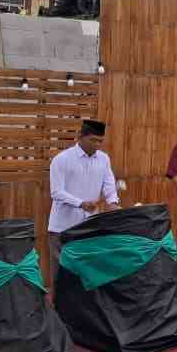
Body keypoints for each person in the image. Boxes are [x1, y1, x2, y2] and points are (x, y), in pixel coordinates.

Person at [48, 120, 120, 280]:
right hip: (62, 229)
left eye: (100, 141)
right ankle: (56, 304)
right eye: (93, 140)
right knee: (62, 275)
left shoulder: (104, 159)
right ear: (79, 137)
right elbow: (56, 192)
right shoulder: (61, 159)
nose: (97, 144)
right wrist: (80, 203)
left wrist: (113, 203)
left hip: (89, 227)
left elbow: (109, 186)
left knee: (85, 275)